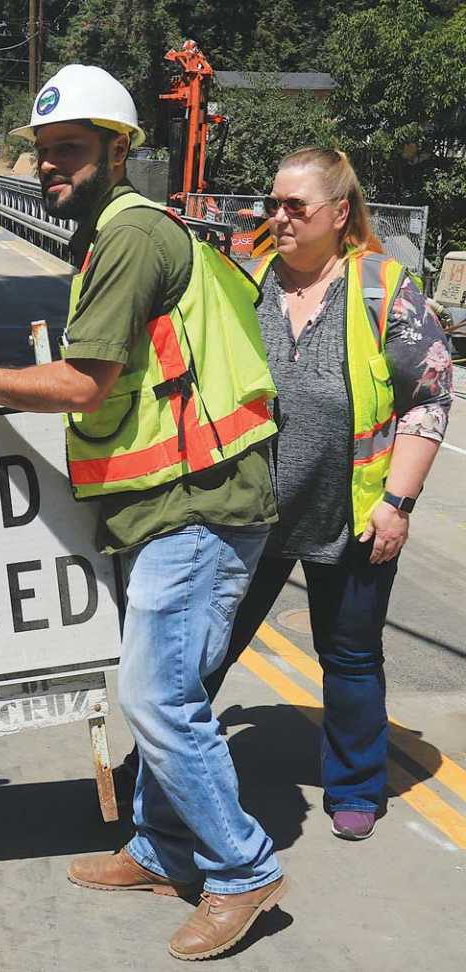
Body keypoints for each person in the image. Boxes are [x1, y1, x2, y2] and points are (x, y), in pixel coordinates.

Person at [0, 64, 288, 961]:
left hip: (196, 503)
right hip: (174, 501)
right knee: (175, 695)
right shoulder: (114, 237)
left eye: (70, 150)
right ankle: (162, 848)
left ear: (120, 151)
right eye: (44, 153)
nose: (50, 168)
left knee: (155, 698)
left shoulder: (128, 236)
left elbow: (87, 382)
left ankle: (242, 868)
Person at [118, 147, 453, 842]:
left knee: (351, 655)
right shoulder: (252, 282)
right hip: (250, 512)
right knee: (203, 651)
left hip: (352, 514)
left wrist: (398, 502)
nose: (279, 217)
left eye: (295, 207)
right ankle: (160, 768)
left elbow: (429, 395)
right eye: (272, 204)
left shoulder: (382, 287)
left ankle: (355, 785)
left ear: (339, 213)